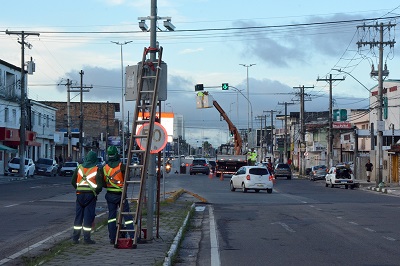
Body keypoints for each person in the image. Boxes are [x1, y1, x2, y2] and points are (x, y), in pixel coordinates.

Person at [103, 146, 135, 244]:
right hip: (121, 195)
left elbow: (103, 182)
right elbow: (127, 180)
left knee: (111, 217)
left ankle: (112, 238)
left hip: (110, 195)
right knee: (127, 217)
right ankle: (132, 236)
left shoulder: (105, 167)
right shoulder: (122, 166)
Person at [71, 150, 103, 244]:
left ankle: (75, 238)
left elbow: (73, 181)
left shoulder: (79, 168)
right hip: (90, 196)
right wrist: (95, 192)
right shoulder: (96, 169)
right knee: (88, 218)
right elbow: (100, 185)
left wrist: (78, 188)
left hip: (79, 195)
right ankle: (86, 238)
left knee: (78, 217)